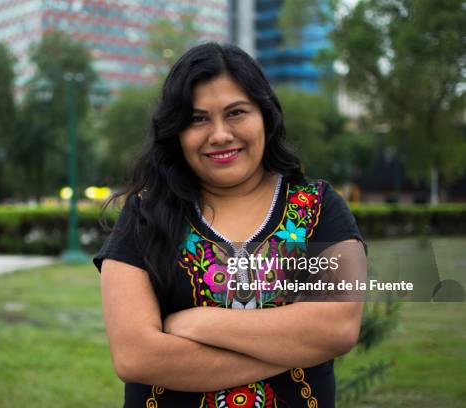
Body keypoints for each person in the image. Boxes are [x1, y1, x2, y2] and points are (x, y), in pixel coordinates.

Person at [93, 43, 367, 407]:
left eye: (236, 112)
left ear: (265, 117)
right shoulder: (144, 214)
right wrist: (292, 346)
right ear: (176, 131)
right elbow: (136, 356)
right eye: (198, 118)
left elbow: (337, 326)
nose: (220, 134)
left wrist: (196, 323)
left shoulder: (319, 207)